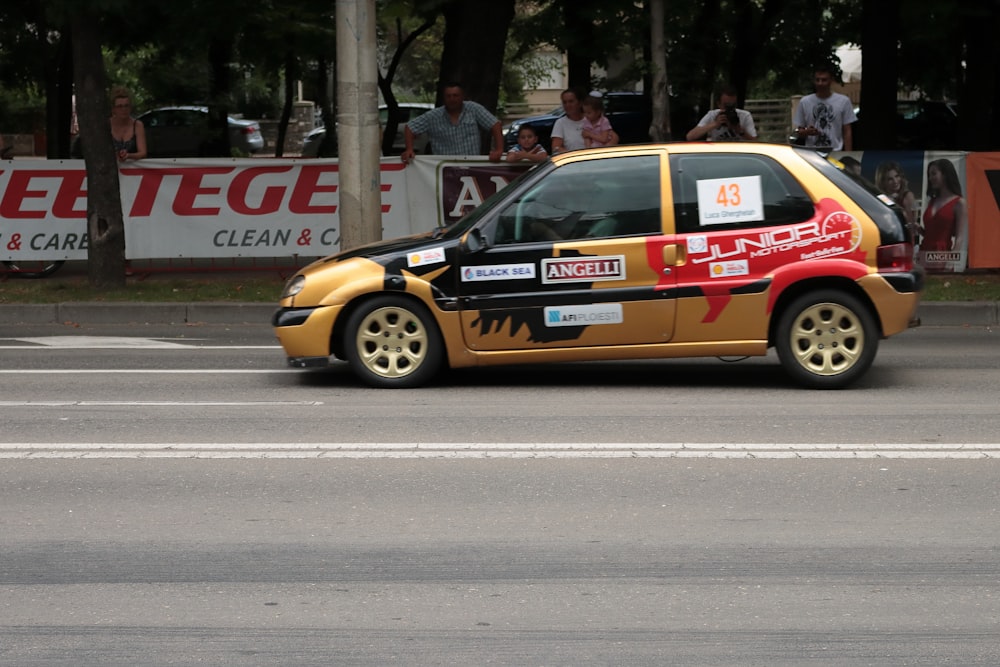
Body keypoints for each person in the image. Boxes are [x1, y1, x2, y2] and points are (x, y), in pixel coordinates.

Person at [401, 82, 503, 163]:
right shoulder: (433, 116)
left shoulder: (474, 109)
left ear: (463, 96)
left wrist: (498, 150)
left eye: (455, 95)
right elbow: (410, 127)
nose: (452, 99)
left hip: (471, 165)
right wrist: (409, 149)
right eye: (448, 96)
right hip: (443, 169)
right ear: (444, 97)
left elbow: (495, 125)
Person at [793, 65, 856, 151]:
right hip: (811, 153)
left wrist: (848, 154)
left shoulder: (843, 101)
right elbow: (799, 131)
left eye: (824, 80)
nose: (820, 83)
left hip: (835, 152)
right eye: (817, 80)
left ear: (831, 80)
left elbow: (847, 131)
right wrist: (807, 132)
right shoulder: (805, 102)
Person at [922, 158, 967, 252]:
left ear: (945, 175)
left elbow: (959, 238)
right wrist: (919, 229)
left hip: (942, 255)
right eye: (929, 175)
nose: (930, 178)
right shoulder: (932, 201)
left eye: (933, 174)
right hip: (924, 253)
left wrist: (951, 260)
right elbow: (931, 234)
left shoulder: (959, 203)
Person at [685, 85, 758, 142]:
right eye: (726, 105)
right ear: (719, 104)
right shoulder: (712, 115)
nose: (730, 109)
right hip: (719, 154)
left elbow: (755, 142)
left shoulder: (744, 115)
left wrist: (740, 130)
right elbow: (690, 136)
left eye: (733, 105)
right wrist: (715, 124)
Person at [876, 160, 918, 238]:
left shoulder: (908, 196)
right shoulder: (881, 198)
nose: (895, 181)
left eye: (897, 176)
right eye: (890, 179)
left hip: (903, 239)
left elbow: (911, 225)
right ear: (883, 182)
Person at [109, 86, 147, 161]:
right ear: (113, 109)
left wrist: (129, 155)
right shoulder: (107, 124)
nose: (124, 109)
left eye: (126, 106)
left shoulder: (137, 125)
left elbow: (143, 153)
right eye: (120, 106)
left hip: (132, 169)